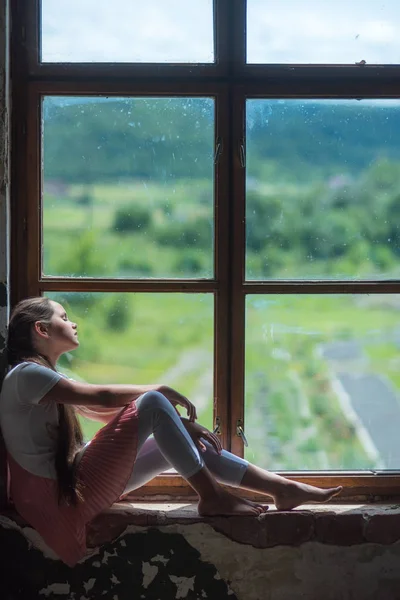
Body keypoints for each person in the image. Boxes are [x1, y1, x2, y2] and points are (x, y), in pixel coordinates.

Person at [0, 297, 342, 567]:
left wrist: (176, 424)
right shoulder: (26, 376)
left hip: (72, 491)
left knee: (169, 434)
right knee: (150, 400)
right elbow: (104, 397)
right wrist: (160, 390)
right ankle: (213, 497)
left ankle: (280, 488)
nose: (72, 322)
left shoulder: (45, 379)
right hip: (64, 499)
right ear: (42, 330)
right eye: (63, 317)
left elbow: (109, 412)